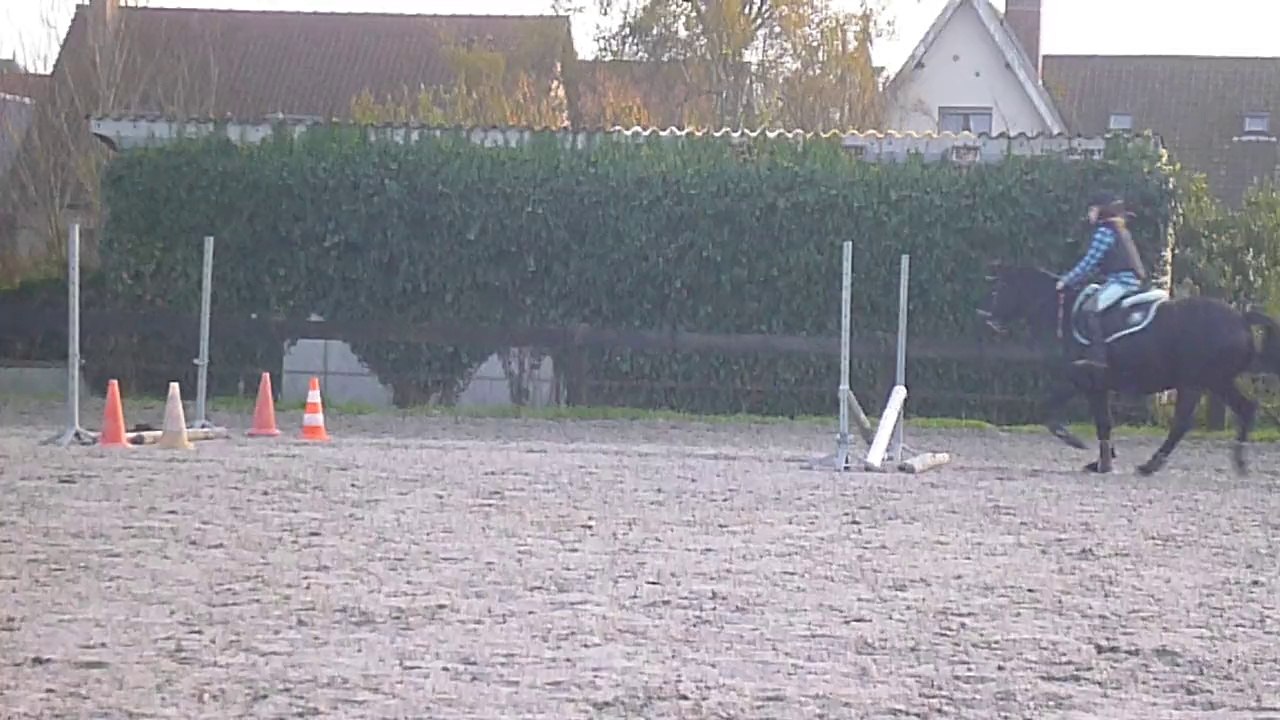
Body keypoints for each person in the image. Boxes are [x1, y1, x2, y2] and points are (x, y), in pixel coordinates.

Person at [1055, 191, 1146, 370]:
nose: (1089, 214)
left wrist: (1065, 281)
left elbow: (1089, 262)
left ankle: (1098, 358)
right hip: (1128, 280)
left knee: (1091, 308)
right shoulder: (1120, 229)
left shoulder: (1104, 232)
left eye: (1092, 210)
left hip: (1122, 282)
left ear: (1102, 211)